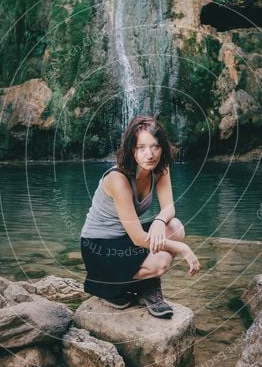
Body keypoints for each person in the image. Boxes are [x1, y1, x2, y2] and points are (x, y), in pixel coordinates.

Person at [80, 115, 200, 318]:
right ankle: (115, 284)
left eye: (155, 146)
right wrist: (182, 248)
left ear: (163, 147)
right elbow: (137, 238)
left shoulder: (160, 168)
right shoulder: (118, 179)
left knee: (176, 227)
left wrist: (160, 222)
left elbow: (169, 208)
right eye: (141, 147)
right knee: (161, 262)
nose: (150, 154)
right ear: (131, 150)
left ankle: (142, 282)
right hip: (99, 246)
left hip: (125, 237)